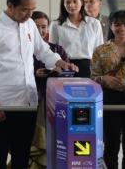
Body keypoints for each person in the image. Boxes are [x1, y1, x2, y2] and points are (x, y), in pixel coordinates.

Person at [0, 0, 77, 169]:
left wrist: (59, 62)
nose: (29, 14)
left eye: (32, 9)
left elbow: (42, 50)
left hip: (28, 101)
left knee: (22, 153)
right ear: (10, 6)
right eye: (24, 10)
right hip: (2, 103)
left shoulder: (29, 24)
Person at [91, 10, 125, 169]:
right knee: (111, 143)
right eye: (117, 24)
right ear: (111, 26)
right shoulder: (101, 50)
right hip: (110, 98)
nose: (122, 28)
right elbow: (92, 77)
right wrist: (102, 79)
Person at [29, 11, 69, 168]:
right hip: (29, 101)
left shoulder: (58, 49)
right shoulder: (22, 49)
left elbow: (68, 74)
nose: (40, 31)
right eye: (36, 27)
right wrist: (34, 74)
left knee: (54, 141)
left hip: (55, 104)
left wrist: (61, 71)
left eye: (43, 27)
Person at [49, 0, 104, 77]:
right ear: (63, 4)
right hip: (66, 67)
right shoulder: (56, 25)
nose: (71, 5)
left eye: (75, 1)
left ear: (82, 3)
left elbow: (99, 50)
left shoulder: (94, 23)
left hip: (89, 68)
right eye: (67, 2)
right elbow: (52, 51)